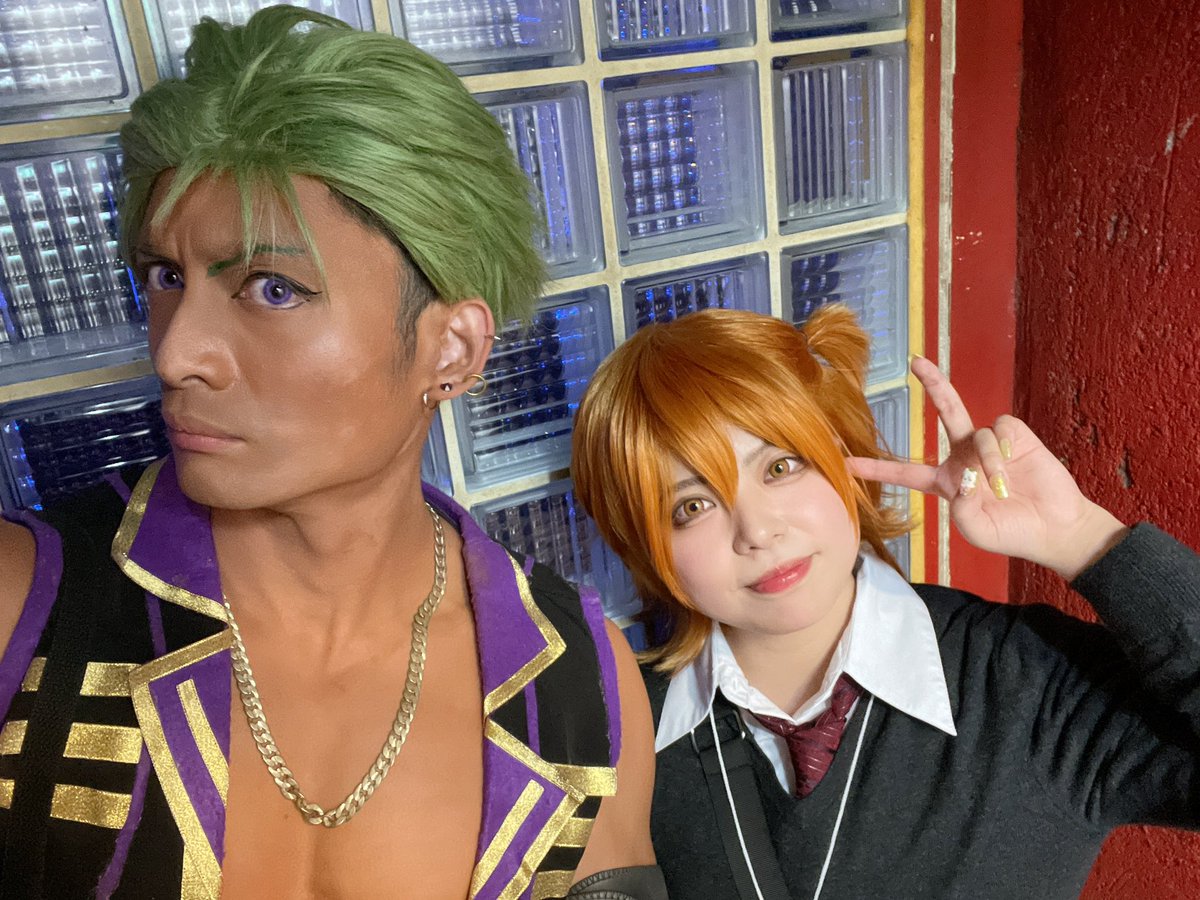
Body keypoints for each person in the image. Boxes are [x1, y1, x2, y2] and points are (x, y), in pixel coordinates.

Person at [0, 7, 663, 899]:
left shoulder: (580, 684)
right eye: (165, 277)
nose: (177, 353)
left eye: (272, 289)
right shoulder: (24, 605)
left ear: (452, 349)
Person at [570, 304, 1200, 899]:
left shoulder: (1028, 682)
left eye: (780, 467)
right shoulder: (612, 734)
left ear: (845, 455)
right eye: (692, 506)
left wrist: (1084, 538)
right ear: (644, 546)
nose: (757, 531)